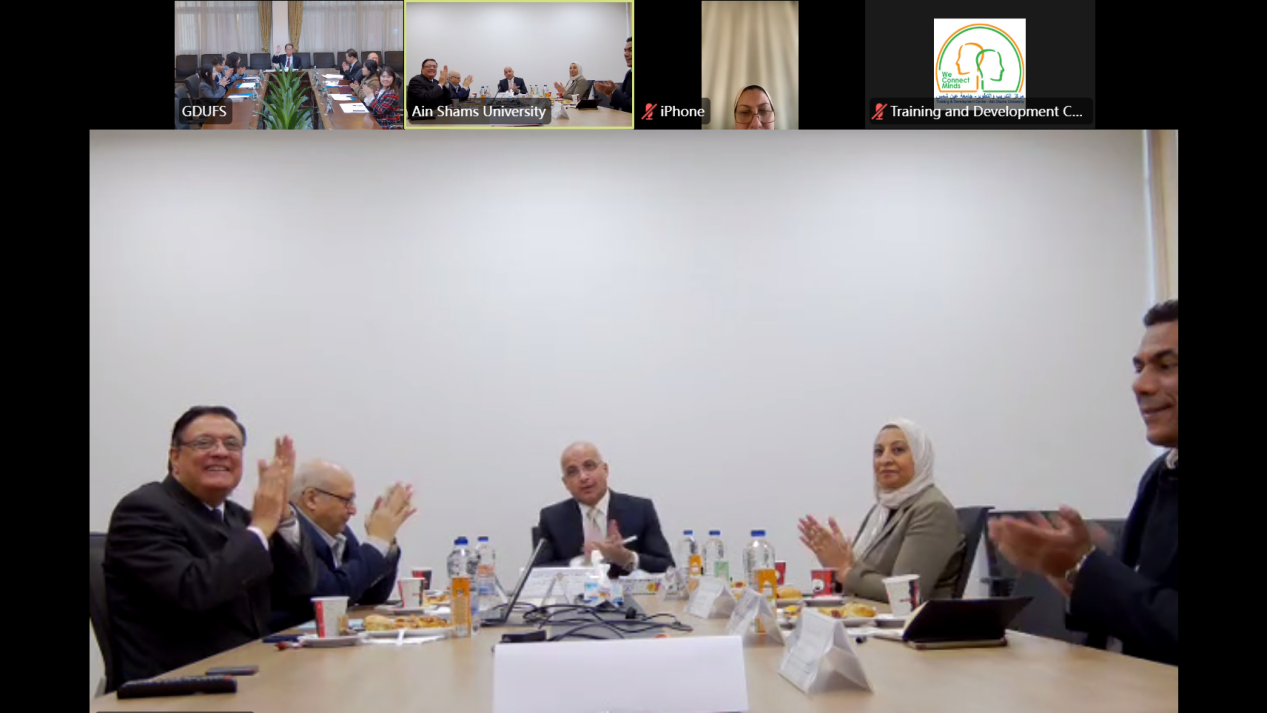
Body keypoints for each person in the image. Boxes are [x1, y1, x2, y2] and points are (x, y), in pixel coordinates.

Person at [988, 300, 1178, 666]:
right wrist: (1073, 576)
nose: (1140, 384)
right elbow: (1138, 606)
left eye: (1167, 365)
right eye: (1139, 367)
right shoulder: (1160, 473)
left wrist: (1087, 567)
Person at [103, 406, 316, 688]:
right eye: (204, 443)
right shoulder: (144, 509)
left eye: (232, 444)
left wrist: (283, 514)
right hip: (177, 687)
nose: (220, 452)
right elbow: (194, 591)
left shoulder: (238, 517)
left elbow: (298, 591)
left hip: (247, 674)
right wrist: (261, 527)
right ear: (175, 457)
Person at [798, 419, 965, 601]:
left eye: (898, 450)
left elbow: (904, 594)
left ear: (920, 457)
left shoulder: (933, 509)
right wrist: (841, 559)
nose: (885, 460)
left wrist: (844, 570)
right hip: (872, 615)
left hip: (916, 619)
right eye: (879, 452)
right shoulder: (881, 510)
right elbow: (866, 576)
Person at [271, 461, 416, 631]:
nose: (353, 510)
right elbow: (331, 597)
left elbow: (370, 595)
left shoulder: (339, 533)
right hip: (283, 641)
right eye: (346, 501)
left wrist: (387, 541)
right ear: (311, 499)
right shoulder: (289, 535)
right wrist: (377, 542)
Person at [532, 442, 674, 577]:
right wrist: (582, 562)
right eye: (573, 472)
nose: (583, 477)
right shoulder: (552, 518)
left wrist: (627, 558)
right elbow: (537, 573)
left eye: (589, 466)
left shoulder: (640, 509)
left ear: (605, 470)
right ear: (566, 483)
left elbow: (667, 567)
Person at [593, 37, 632, 111]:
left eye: (631, 50)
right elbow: (625, 100)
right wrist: (611, 93)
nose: (625, 54)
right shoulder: (629, 73)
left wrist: (613, 92)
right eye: (625, 50)